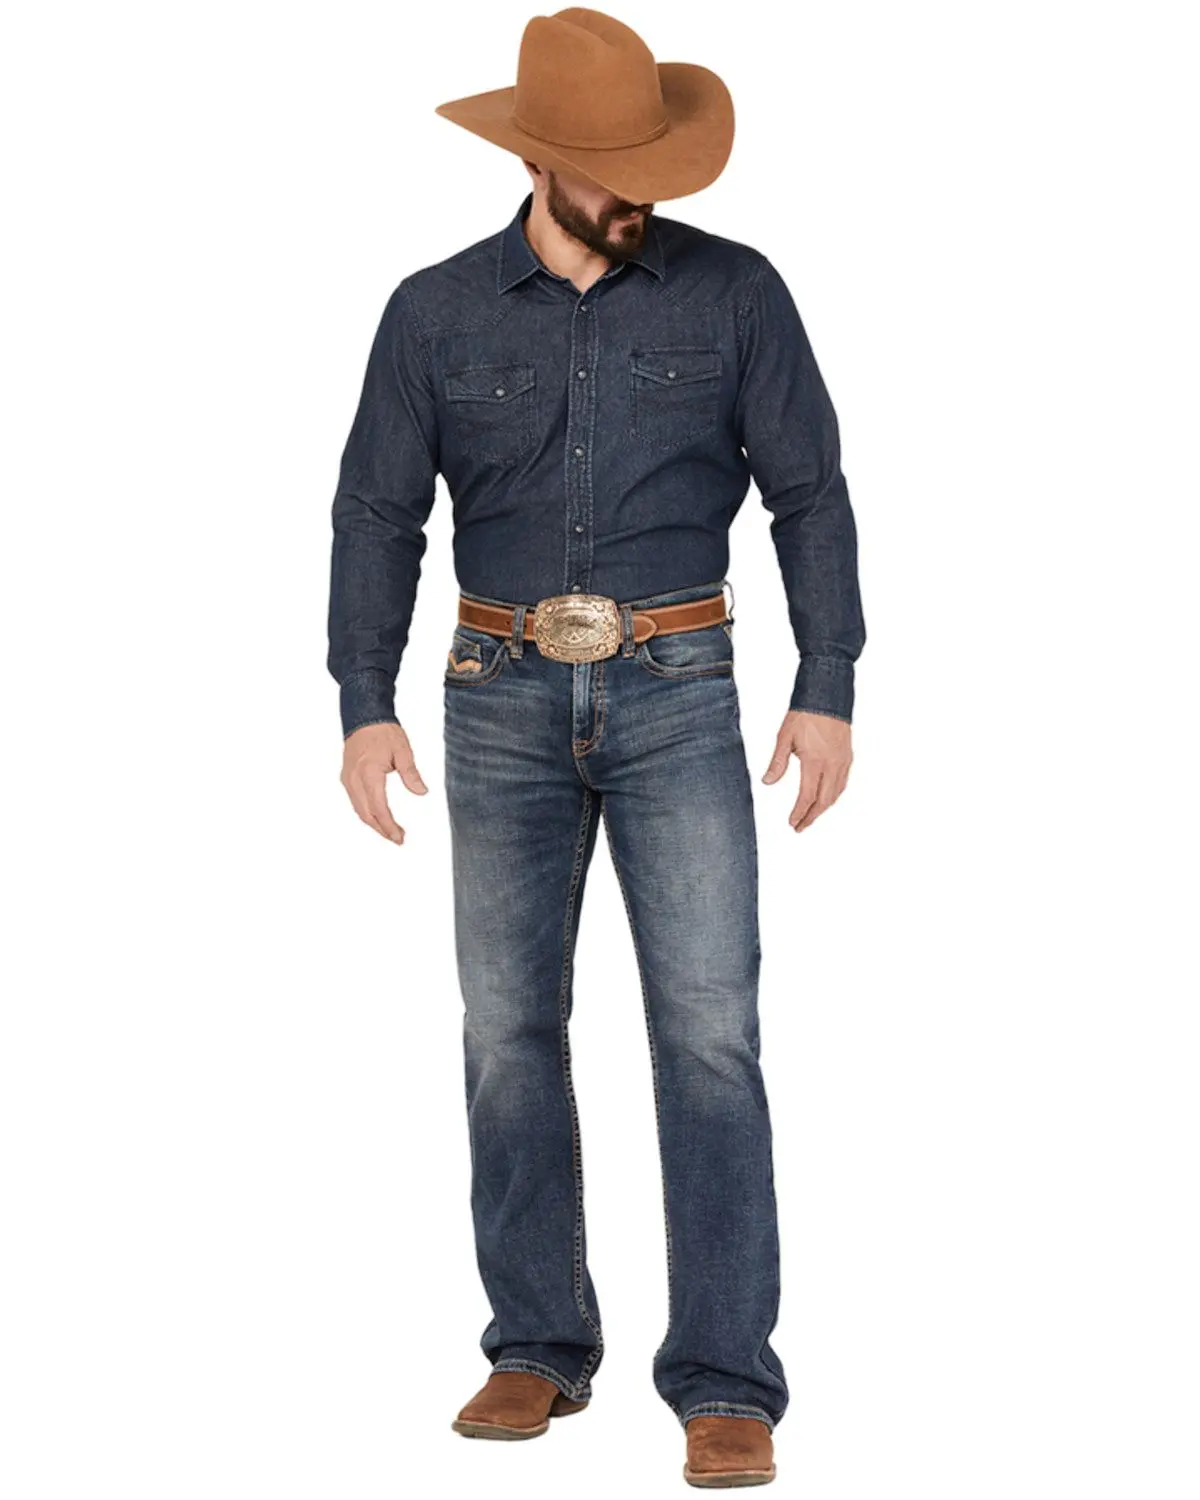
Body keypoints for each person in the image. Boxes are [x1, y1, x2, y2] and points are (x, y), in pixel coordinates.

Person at [326, 7, 865, 1488]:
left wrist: (828, 679)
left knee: (709, 1032)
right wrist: (362, 699)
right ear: (537, 163)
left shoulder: (738, 293)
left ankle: (725, 1381)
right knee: (506, 1033)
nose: (641, 196)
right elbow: (376, 512)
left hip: (681, 685)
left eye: (652, 169)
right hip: (493, 692)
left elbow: (811, 494)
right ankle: (536, 1347)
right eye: (612, 171)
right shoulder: (433, 312)